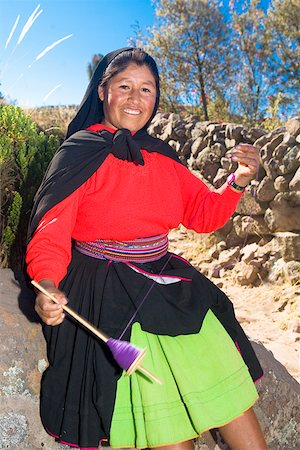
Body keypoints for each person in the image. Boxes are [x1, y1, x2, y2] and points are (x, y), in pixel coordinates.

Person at [26, 47, 268, 450]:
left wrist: (239, 179)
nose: (136, 99)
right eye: (125, 87)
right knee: (167, 430)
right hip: (108, 295)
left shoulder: (161, 157)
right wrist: (47, 284)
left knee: (232, 401)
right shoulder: (78, 153)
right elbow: (51, 231)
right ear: (103, 91)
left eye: (146, 89)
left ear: (156, 98)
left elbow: (203, 215)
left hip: (168, 283)